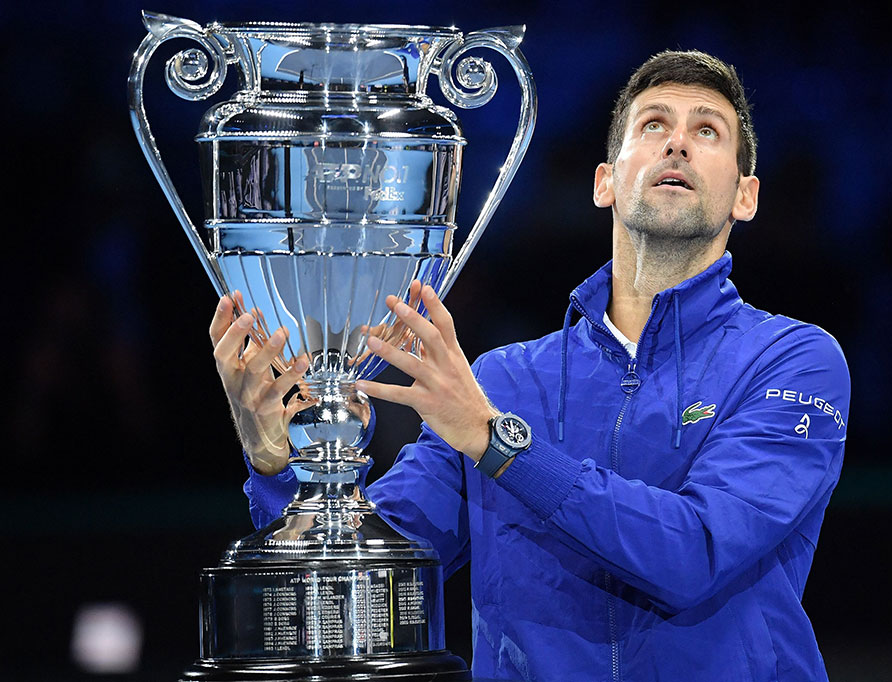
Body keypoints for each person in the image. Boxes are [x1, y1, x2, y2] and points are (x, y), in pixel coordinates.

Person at [210, 50, 850, 681]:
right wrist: (279, 468)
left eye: (707, 131)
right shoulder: (502, 382)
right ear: (604, 182)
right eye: (653, 124)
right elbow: (365, 589)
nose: (677, 143)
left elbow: (695, 553)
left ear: (745, 196)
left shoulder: (792, 363)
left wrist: (497, 443)